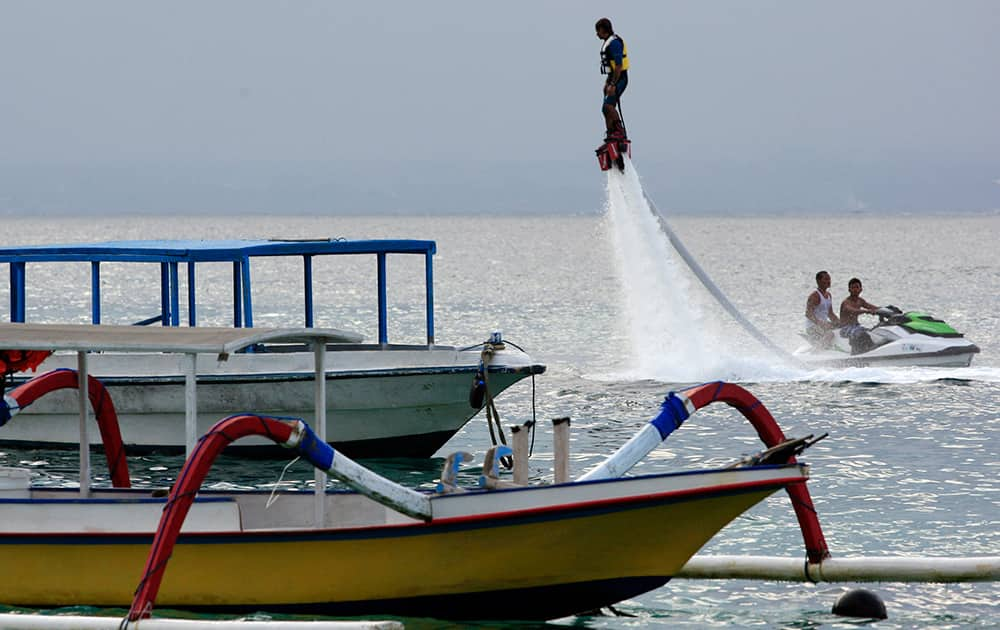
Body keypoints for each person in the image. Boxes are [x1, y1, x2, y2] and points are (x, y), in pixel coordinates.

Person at [596, 17, 628, 140]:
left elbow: (619, 66)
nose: (596, 34)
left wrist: (613, 85)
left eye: (598, 31)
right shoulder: (608, 42)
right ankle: (611, 133)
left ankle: (619, 132)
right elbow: (612, 67)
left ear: (604, 30)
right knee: (605, 108)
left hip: (621, 79)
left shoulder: (614, 43)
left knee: (609, 106)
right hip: (613, 78)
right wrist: (607, 82)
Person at [839, 277, 880, 354]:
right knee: (859, 332)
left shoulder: (860, 300)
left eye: (857, 287)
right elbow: (853, 310)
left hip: (856, 326)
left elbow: (873, 307)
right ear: (849, 290)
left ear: (861, 289)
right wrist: (866, 311)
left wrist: (887, 309)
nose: (855, 289)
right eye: (853, 287)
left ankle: (871, 351)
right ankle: (856, 354)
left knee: (872, 332)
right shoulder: (846, 302)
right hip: (845, 328)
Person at [805, 270, 839, 347]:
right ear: (818, 281)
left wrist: (840, 323)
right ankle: (817, 352)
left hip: (823, 325)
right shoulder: (815, 296)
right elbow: (808, 313)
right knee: (830, 334)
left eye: (829, 279)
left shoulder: (829, 295)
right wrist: (819, 323)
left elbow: (831, 314)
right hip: (812, 326)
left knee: (840, 329)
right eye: (826, 279)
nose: (829, 281)